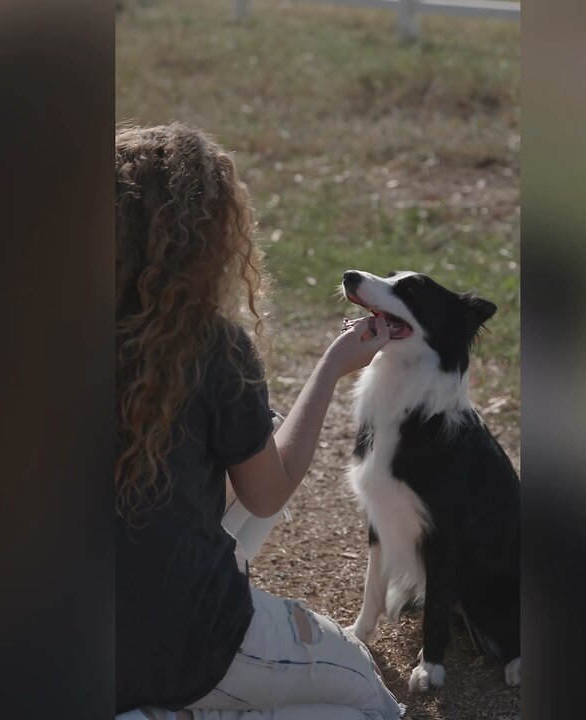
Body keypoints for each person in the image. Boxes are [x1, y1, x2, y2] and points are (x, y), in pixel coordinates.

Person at [114, 123, 404, 720]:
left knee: (257, 428)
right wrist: (332, 369)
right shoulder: (208, 346)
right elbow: (267, 493)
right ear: (209, 236)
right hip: (190, 642)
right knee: (373, 703)